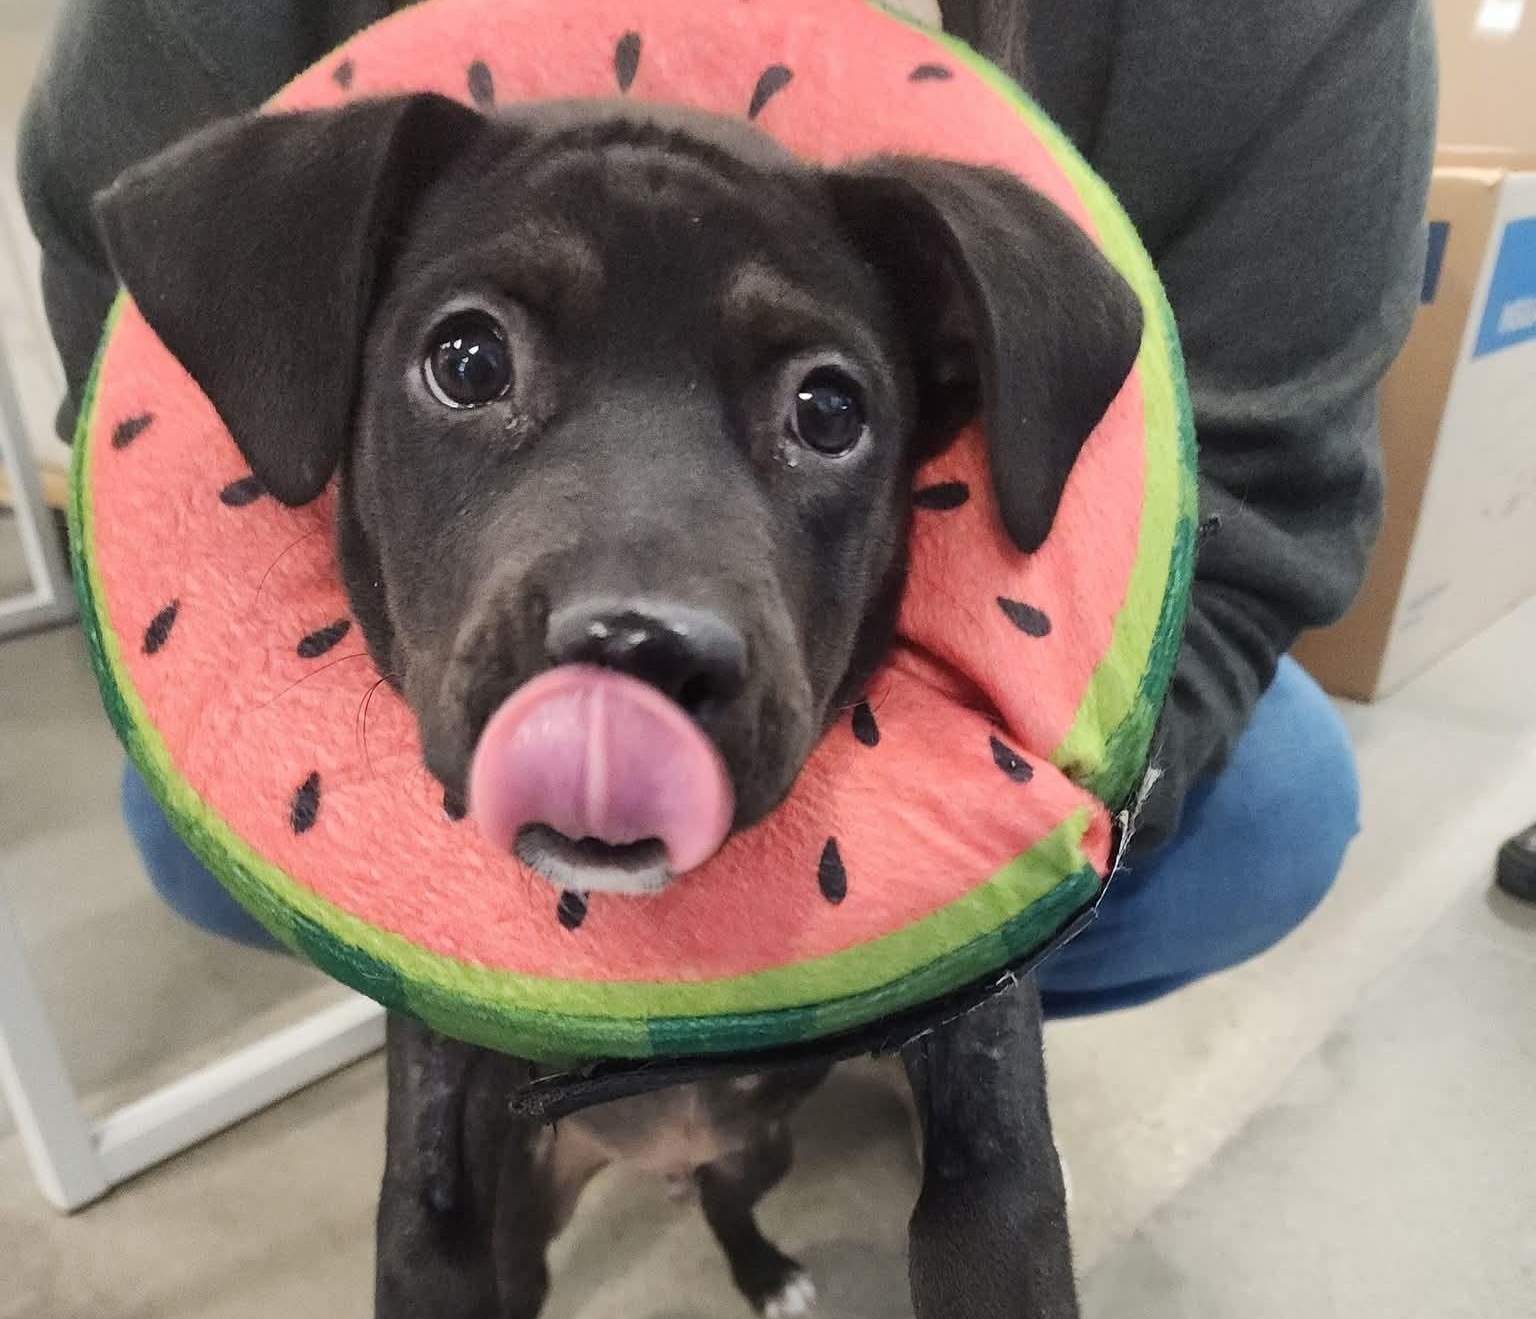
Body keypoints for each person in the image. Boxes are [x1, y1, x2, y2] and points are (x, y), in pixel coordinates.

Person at [17, 0, 1436, 1015]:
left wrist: (881, 938)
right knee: (185, 838)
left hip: (908, 609)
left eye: (820, 406)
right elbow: (138, 346)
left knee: (1272, 819)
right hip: (420, 564)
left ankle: (861, 1031)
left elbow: (1255, 514)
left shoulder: (1281, 30)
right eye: (473, 361)